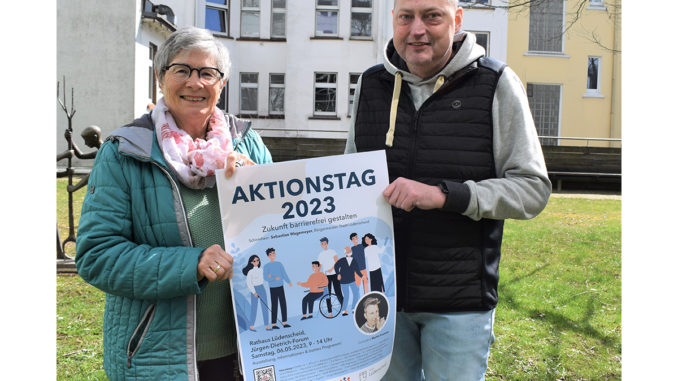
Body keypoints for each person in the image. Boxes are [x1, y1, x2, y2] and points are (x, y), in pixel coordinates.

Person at [344, 0, 551, 379]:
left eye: (431, 16)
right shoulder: (371, 85)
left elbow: (532, 189)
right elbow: (348, 180)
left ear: (456, 20)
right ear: (394, 20)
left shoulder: (496, 83)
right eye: (406, 17)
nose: (417, 29)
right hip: (381, 298)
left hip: (459, 302)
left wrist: (445, 196)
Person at [75, 27, 273, 381]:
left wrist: (262, 188)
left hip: (246, 355)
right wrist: (191, 264)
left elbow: (283, 231)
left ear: (221, 84)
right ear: (160, 78)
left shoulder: (248, 145)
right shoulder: (125, 152)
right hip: (159, 357)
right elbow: (96, 255)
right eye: (182, 70)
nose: (195, 83)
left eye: (207, 73)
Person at [263, 248, 293, 329]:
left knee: (283, 303)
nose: (274, 254)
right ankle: (273, 324)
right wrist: (273, 278)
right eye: (272, 253)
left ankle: (284, 322)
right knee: (274, 304)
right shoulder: (266, 266)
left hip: (280, 286)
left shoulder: (279, 264)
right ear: (269, 255)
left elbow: (284, 274)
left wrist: (288, 281)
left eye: (274, 253)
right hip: (272, 287)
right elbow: (265, 277)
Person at [242, 255, 271, 331]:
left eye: (257, 260)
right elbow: (249, 283)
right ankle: (251, 325)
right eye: (254, 261)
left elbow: (264, 278)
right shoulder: (250, 272)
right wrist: (254, 292)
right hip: (254, 289)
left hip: (262, 288)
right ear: (251, 262)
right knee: (254, 308)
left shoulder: (261, 270)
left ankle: (266, 325)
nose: (256, 262)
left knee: (265, 307)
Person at [334, 245, 363, 316]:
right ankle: (344, 310)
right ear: (345, 252)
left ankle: (353, 308)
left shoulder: (354, 260)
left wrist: (362, 276)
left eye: (349, 250)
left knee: (356, 294)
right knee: (346, 296)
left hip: (352, 280)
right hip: (343, 282)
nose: (349, 251)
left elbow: (357, 270)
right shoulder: (342, 260)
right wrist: (338, 274)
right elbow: (336, 266)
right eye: (347, 250)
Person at [317, 237, 343, 316]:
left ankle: (344, 308)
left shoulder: (332, 251)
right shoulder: (320, 254)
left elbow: (337, 262)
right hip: (326, 276)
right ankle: (330, 312)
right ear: (321, 245)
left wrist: (332, 268)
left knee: (338, 292)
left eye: (325, 243)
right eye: (322, 244)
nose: (323, 245)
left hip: (334, 274)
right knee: (327, 295)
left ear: (327, 244)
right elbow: (319, 266)